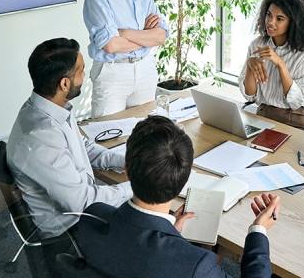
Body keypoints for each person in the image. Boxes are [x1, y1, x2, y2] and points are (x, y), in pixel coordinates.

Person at [75, 116, 280, 277]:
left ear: (127, 170)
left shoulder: (91, 218)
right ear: (184, 179)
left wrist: (171, 233)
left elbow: (134, 255)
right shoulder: (196, 265)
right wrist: (258, 231)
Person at [6, 38, 132, 241]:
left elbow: (83, 147)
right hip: (71, 231)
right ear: (64, 84)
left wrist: (123, 161)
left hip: (81, 207)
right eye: (81, 71)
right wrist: (140, 186)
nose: (85, 76)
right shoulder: (41, 137)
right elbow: (83, 203)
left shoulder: (49, 106)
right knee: (152, 223)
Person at [83, 0, 168, 118]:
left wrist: (124, 32)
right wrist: (146, 36)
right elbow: (111, 45)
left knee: (146, 135)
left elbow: (161, 36)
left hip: (145, 70)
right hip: (112, 72)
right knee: (109, 135)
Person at [238, 0, 304, 131]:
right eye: (269, 15)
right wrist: (250, 66)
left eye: (279, 18)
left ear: (293, 23)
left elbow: (296, 102)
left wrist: (280, 64)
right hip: (263, 114)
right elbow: (250, 95)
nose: (270, 22)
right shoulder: (257, 45)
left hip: (294, 120)